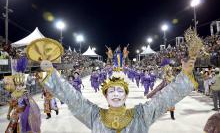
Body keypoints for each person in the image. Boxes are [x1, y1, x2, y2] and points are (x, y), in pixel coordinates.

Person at [39, 56, 197, 133]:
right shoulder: (94, 116)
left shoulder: (141, 115)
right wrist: (52, 73)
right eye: (111, 91)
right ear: (106, 96)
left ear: (126, 96)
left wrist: (185, 75)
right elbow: (72, 98)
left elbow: (165, 98)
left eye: (120, 90)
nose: (115, 94)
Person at [5, 57, 41, 133]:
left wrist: (28, 114)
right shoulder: (13, 94)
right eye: (17, 85)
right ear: (15, 85)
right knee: (12, 129)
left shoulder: (25, 93)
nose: (18, 87)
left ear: (23, 85)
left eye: (20, 85)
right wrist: (8, 114)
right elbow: (11, 106)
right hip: (15, 115)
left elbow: (31, 105)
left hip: (24, 115)